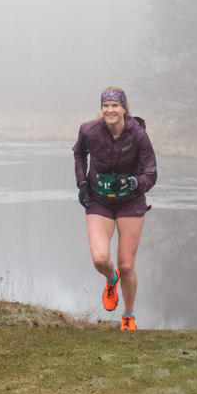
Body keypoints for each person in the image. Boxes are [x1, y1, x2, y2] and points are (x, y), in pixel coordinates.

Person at [73, 87, 157, 331]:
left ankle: (128, 315)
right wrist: (82, 184)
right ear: (102, 109)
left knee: (127, 265)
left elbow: (151, 173)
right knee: (100, 259)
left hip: (130, 201)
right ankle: (111, 279)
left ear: (123, 109)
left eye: (115, 106)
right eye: (106, 106)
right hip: (99, 200)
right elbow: (78, 155)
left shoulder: (138, 135)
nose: (110, 110)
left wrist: (133, 182)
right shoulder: (88, 130)